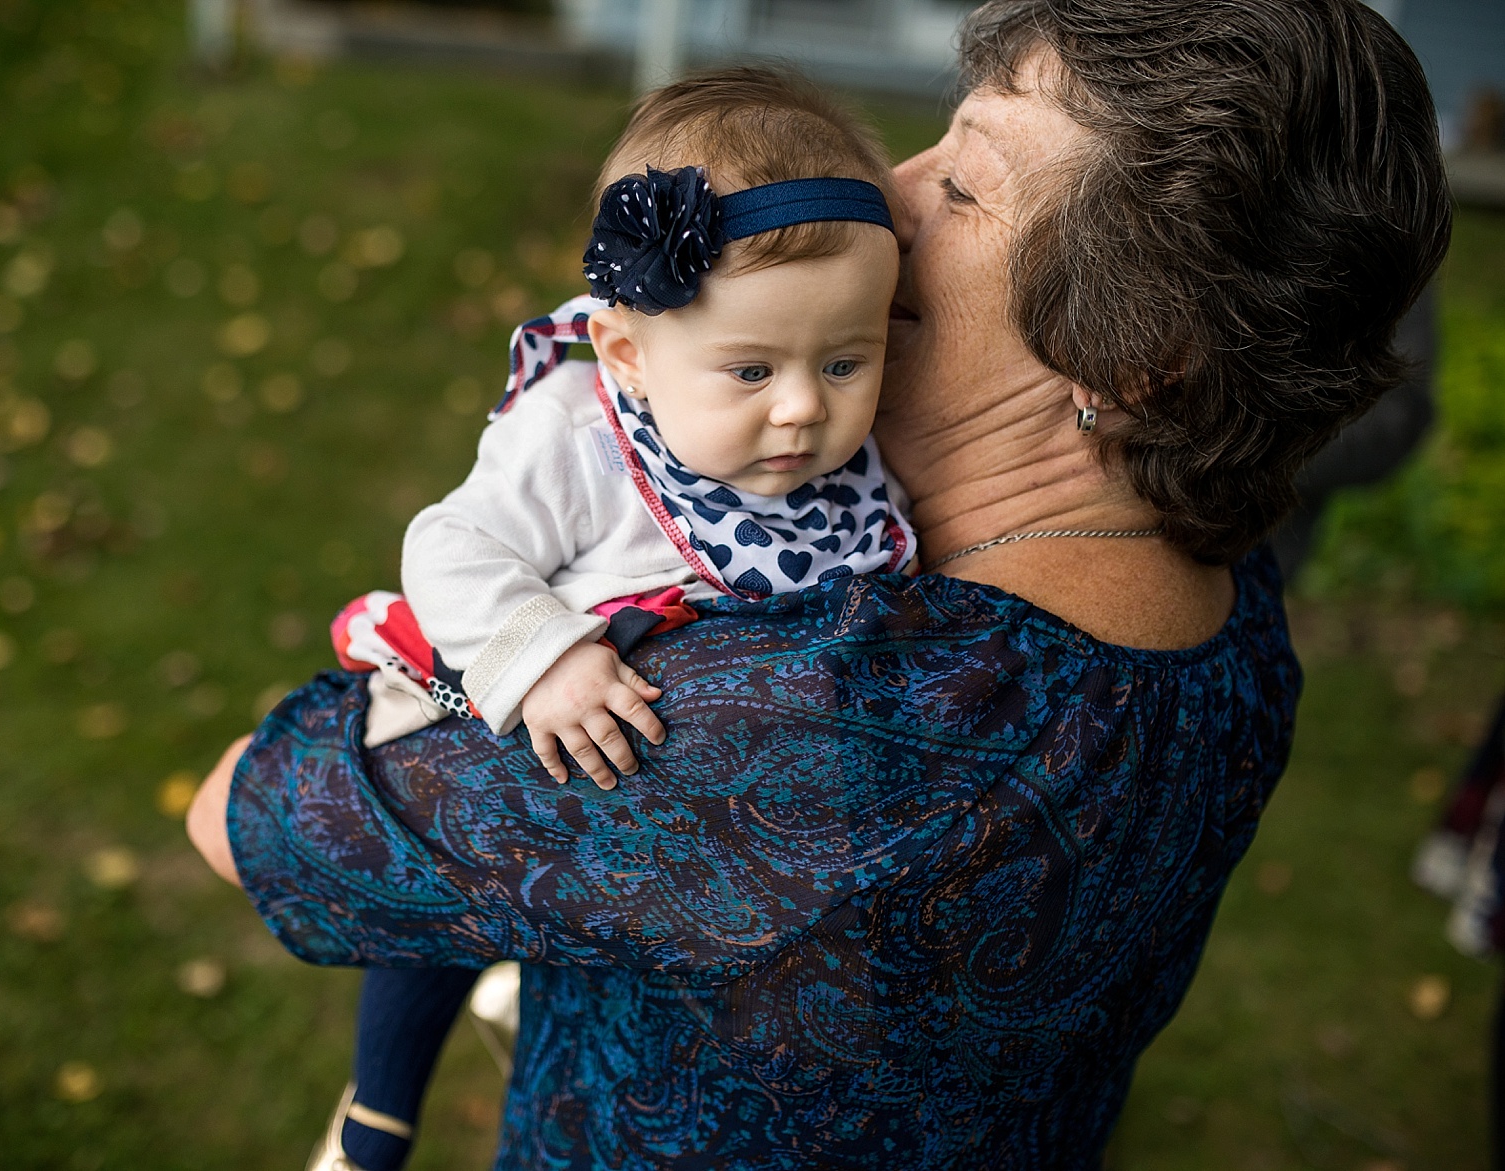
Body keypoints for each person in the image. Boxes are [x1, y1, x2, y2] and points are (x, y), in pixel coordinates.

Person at [187, 0, 1451, 1165]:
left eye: (960, 184)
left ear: (1142, 352)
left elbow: (247, 811)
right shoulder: (1233, 625)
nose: (883, 199)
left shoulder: (804, 725)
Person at [321, 72, 918, 1171]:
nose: (802, 407)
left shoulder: (841, 480)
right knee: (437, 898)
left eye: (847, 361)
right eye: (752, 368)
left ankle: (542, 994)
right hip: (504, 713)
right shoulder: (580, 436)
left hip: (661, 801)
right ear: (629, 354)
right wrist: (542, 660)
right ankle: (378, 1113)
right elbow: (449, 547)